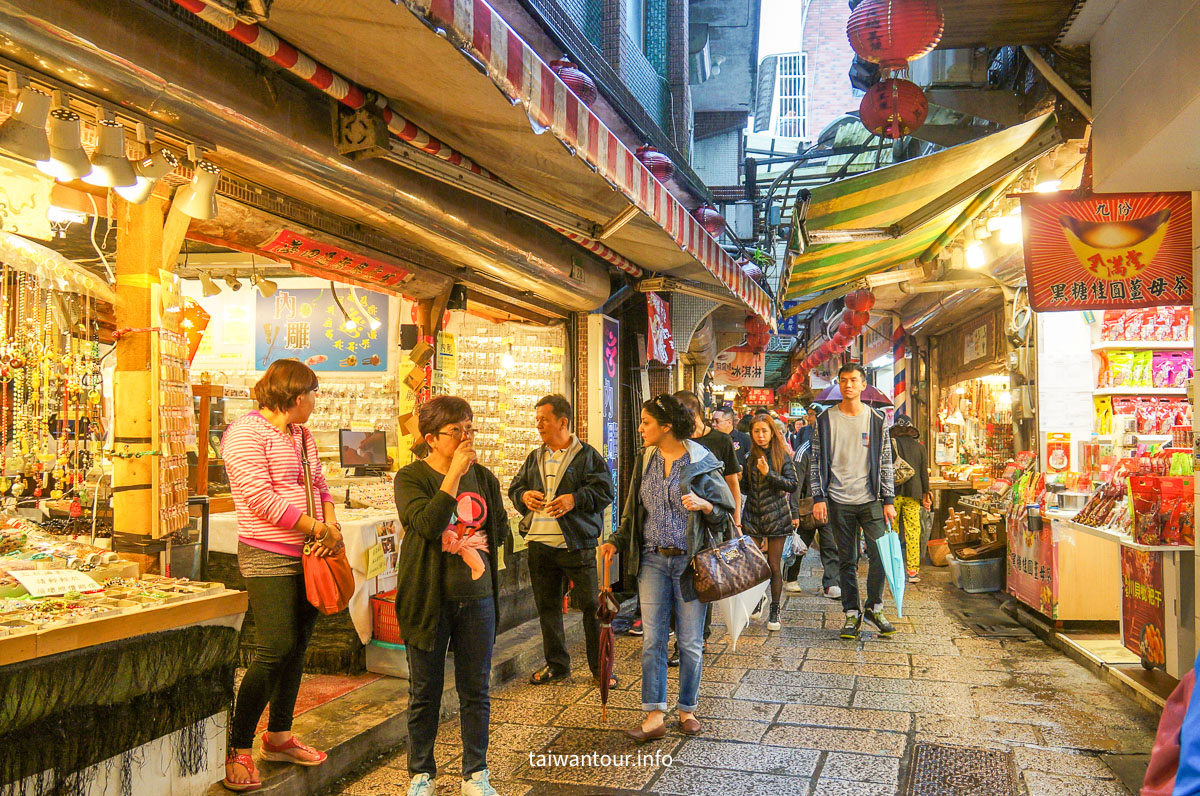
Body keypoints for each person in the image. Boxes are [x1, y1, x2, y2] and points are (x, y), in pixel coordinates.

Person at [221, 360, 339, 792]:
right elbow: (259, 499)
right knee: (275, 647)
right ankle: (237, 747)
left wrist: (332, 527)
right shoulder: (245, 434)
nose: (315, 401)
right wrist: (317, 529)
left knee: (298, 646)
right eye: (312, 393)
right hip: (267, 554)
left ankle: (279, 735)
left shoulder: (301, 435)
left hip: (308, 554)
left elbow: (321, 487)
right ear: (294, 396)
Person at [599, 394, 735, 742]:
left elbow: (725, 512)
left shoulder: (702, 462)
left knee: (689, 642)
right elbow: (631, 509)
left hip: (690, 564)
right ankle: (655, 714)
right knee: (653, 640)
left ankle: (687, 708)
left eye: (646, 422)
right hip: (652, 560)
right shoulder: (645, 459)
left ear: (666, 426)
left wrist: (705, 505)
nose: (641, 428)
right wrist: (615, 538)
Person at [393, 396, 510, 796]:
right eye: (457, 430)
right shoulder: (410, 478)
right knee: (424, 692)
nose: (466, 437)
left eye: (470, 428)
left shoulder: (486, 478)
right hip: (428, 599)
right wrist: (454, 476)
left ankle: (475, 773)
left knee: (475, 689)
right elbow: (426, 525)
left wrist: (468, 545)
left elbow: (501, 531)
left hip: (476, 599)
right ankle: (421, 773)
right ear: (431, 438)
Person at [509, 394, 616, 688]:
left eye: (543, 419)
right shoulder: (536, 456)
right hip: (539, 545)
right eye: (537, 419)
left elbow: (606, 492)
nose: (538, 424)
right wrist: (523, 496)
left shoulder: (587, 456)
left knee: (593, 610)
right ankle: (557, 665)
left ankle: (600, 669)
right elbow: (516, 487)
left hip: (576, 544)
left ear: (562, 421)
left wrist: (574, 499)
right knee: (548, 608)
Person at [809, 363, 898, 640]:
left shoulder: (876, 420)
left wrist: (888, 499)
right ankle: (851, 612)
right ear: (839, 384)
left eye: (854, 380)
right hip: (838, 500)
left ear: (863, 385)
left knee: (880, 555)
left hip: (870, 498)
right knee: (846, 559)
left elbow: (885, 462)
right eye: (843, 380)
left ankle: (874, 606)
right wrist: (818, 497)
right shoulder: (825, 421)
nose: (848, 385)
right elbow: (816, 461)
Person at [741, 414, 798, 631]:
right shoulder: (749, 456)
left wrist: (768, 473)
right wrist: (740, 479)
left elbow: (792, 485)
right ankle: (758, 599)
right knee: (755, 565)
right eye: (756, 432)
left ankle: (775, 608)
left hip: (776, 516)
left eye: (765, 431)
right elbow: (746, 488)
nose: (761, 436)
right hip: (753, 515)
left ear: (772, 432)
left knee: (774, 565)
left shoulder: (782, 455)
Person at [787, 435, 840, 599]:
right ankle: (790, 577)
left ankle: (831, 584)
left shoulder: (837, 448)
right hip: (808, 508)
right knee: (800, 545)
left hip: (831, 504)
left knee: (831, 545)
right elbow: (795, 484)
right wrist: (794, 511)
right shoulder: (804, 451)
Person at [889, 413, 931, 584]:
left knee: (892, 530)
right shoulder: (920, 447)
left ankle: (893, 566)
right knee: (913, 531)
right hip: (913, 494)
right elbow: (923, 473)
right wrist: (926, 495)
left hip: (894, 494)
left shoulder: (890, 445)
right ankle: (912, 570)